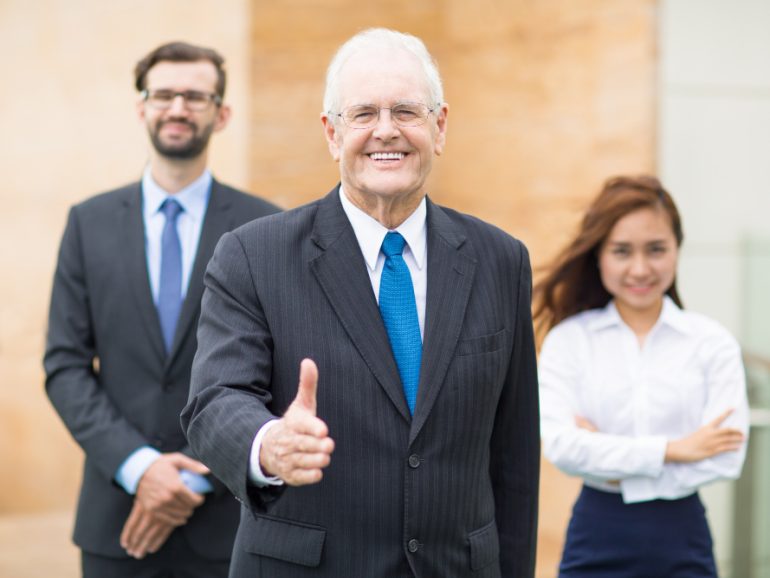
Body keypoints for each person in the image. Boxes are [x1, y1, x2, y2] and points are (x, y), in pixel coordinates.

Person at [181, 28, 540, 577]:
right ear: (332, 133)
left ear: (439, 127)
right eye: (364, 114)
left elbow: (514, 459)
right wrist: (270, 443)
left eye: (406, 111)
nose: (386, 131)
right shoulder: (253, 255)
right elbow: (215, 400)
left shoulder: (501, 260)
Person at [43, 41, 280, 577]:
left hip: (229, 522)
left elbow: (276, 372)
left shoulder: (264, 228)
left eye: (195, 96)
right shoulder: (89, 223)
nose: (178, 108)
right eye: (164, 94)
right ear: (142, 107)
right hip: (117, 522)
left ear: (221, 114)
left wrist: (196, 477)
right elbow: (64, 367)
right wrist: (140, 468)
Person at [535, 175, 748, 577]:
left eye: (656, 250)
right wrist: (673, 449)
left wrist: (607, 454)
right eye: (621, 251)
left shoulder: (711, 343)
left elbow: (726, 458)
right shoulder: (570, 341)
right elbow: (563, 447)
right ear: (598, 255)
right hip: (597, 533)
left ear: (677, 251)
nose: (640, 268)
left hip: (683, 534)